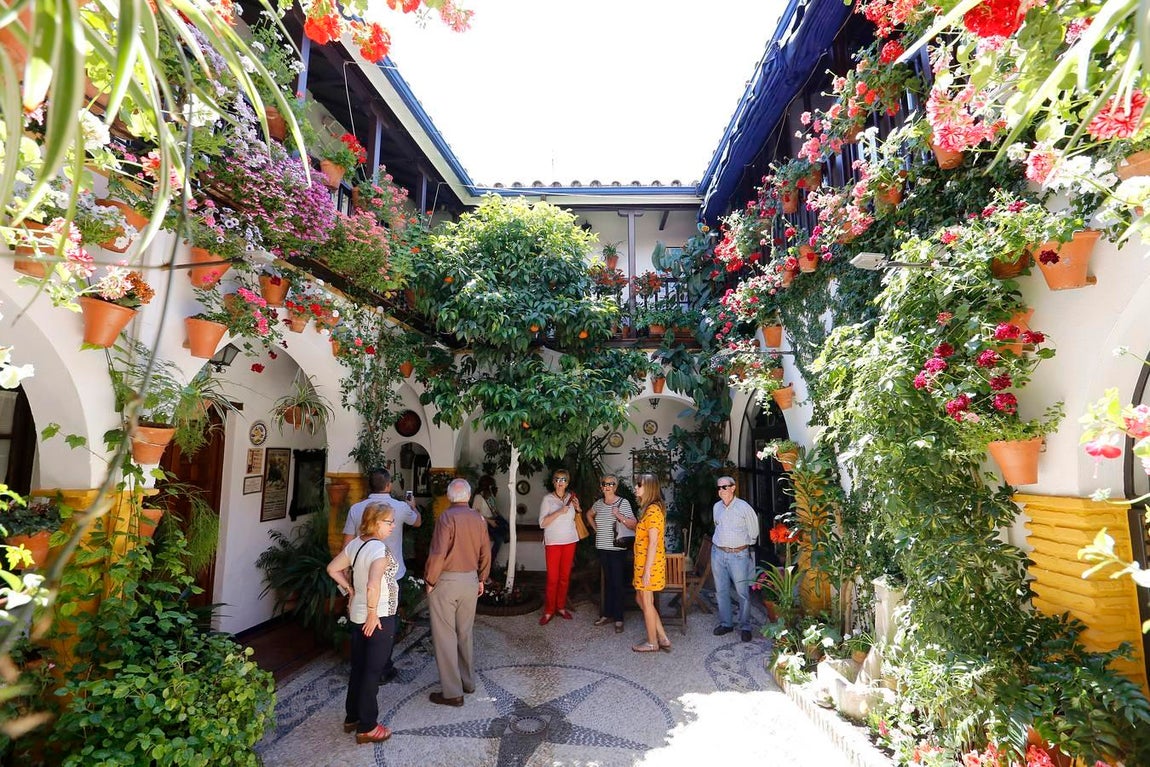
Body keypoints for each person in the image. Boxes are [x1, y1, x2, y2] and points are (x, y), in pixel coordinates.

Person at [326, 503, 399, 744]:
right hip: (378, 617)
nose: (393, 526)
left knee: (358, 667)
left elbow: (332, 569)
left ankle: (353, 717)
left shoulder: (356, 543)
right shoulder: (378, 548)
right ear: (376, 522)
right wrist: (372, 613)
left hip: (357, 616)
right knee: (372, 671)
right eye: (389, 522)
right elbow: (373, 584)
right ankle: (367, 726)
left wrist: (349, 591)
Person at [343, 468, 421, 682]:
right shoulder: (400, 507)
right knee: (387, 621)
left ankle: (361, 665)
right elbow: (418, 522)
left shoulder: (356, 508)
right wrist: (413, 507)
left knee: (361, 619)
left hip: (361, 573)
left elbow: (347, 544)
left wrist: (347, 574)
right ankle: (382, 667)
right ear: (388, 485)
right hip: (392, 575)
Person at [424, 477, 491, 707]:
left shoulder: (446, 517)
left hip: (447, 580)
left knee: (445, 635)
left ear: (450, 496)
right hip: (470, 580)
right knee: (465, 632)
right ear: (469, 496)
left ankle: (452, 693)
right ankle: (467, 682)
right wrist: (481, 578)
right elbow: (486, 551)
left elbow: (438, 552)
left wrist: (430, 580)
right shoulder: (479, 518)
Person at [711, 475, 760, 643]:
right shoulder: (716, 507)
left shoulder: (743, 507)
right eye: (719, 487)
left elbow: (754, 530)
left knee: (742, 592)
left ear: (733, 488)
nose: (721, 490)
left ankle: (745, 626)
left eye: (724, 487)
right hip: (718, 553)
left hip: (738, 555)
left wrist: (745, 546)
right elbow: (717, 526)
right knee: (721, 590)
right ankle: (726, 623)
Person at [586, 473, 635, 633]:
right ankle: (607, 614)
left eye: (611, 484)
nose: (608, 486)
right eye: (605, 484)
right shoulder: (599, 504)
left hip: (617, 550)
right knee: (607, 582)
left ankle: (619, 618)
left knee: (617, 583)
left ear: (616, 486)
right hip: (602, 548)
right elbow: (588, 514)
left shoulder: (623, 503)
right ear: (601, 486)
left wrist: (618, 515)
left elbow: (634, 524)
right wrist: (596, 529)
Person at [631, 473, 671, 653]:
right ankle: (662, 637)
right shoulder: (649, 509)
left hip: (649, 565)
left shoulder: (653, 510)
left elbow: (654, 542)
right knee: (640, 598)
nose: (635, 488)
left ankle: (652, 642)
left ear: (649, 488)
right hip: (643, 563)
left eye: (639, 485)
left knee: (646, 601)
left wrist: (647, 571)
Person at [538, 468, 580, 625]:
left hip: (570, 541)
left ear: (567, 482)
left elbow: (576, 518)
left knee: (564, 578)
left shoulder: (570, 497)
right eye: (557, 479)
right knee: (552, 578)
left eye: (563, 479)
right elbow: (542, 523)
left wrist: (578, 508)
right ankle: (549, 611)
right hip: (553, 542)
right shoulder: (547, 499)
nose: (560, 482)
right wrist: (558, 512)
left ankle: (561, 607)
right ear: (553, 482)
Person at [472, 475, 510, 565]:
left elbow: (495, 510)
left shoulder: (490, 496)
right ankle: (489, 562)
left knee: (506, 528)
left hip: (493, 519)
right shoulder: (478, 497)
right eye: (492, 485)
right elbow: (475, 514)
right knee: (498, 539)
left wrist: (501, 518)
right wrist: (490, 521)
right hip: (484, 522)